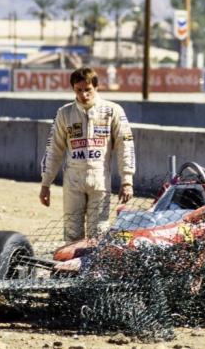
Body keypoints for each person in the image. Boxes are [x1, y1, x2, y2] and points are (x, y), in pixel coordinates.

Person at [39, 67, 135, 243]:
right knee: (72, 233)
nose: (83, 94)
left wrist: (127, 180)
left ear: (96, 87)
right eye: (79, 90)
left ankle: (94, 270)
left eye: (88, 89)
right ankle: (71, 270)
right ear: (73, 89)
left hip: (100, 179)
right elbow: (53, 149)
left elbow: (125, 145)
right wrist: (46, 184)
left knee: (98, 233)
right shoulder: (64, 113)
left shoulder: (113, 110)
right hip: (72, 181)